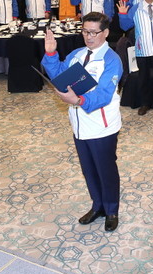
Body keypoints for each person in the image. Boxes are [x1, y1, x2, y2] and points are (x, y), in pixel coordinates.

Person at [41, 12, 122, 232]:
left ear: (105, 33)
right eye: (85, 31)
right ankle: (98, 206)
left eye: (94, 32)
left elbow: (104, 94)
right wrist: (51, 53)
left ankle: (111, 210)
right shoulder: (77, 54)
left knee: (105, 170)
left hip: (102, 126)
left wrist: (78, 100)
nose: (89, 37)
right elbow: (59, 74)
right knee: (89, 169)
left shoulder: (111, 60)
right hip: (79, 124)